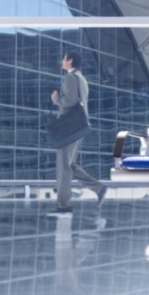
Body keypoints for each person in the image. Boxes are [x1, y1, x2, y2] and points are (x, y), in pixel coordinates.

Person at [50, 52, 106, 213]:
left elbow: (69, 102)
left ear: (70, 61)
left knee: (64, 166)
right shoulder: (81, 78)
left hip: (69, 128)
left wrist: (56, 100)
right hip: (79, 127)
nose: (62, 61)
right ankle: (99, 188)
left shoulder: (69, 77)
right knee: (70, 164)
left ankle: (64, 205)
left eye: (64, 58)